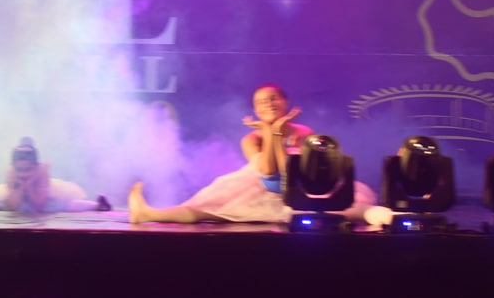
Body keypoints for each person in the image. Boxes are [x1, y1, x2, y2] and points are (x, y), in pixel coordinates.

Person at [129, 84, 373, 224]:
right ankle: (148, 213)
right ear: (255, 110)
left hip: (298, 189)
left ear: (285, 102)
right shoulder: (250, 139)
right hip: (260, 186)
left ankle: (384, 218)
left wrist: (276, 131)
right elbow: (267, 171)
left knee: (347, 207)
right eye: (261, 102)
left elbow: (290, 173)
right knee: (207, 207)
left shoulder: (304, 132)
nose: (268, 104)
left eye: (274, 98)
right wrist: (269, 132)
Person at [0, 137, 109, 213]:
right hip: (17, 203)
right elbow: (13, 206)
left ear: (35, 167)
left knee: (66, 204)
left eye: (27, 170)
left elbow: (39, 205)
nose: (23, 173)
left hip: (42, 203)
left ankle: (98, 205)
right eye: (19, 170)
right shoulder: (12, 174)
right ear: (14, 167)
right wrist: (21, 188)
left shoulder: (42, 174)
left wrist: (29, 186)